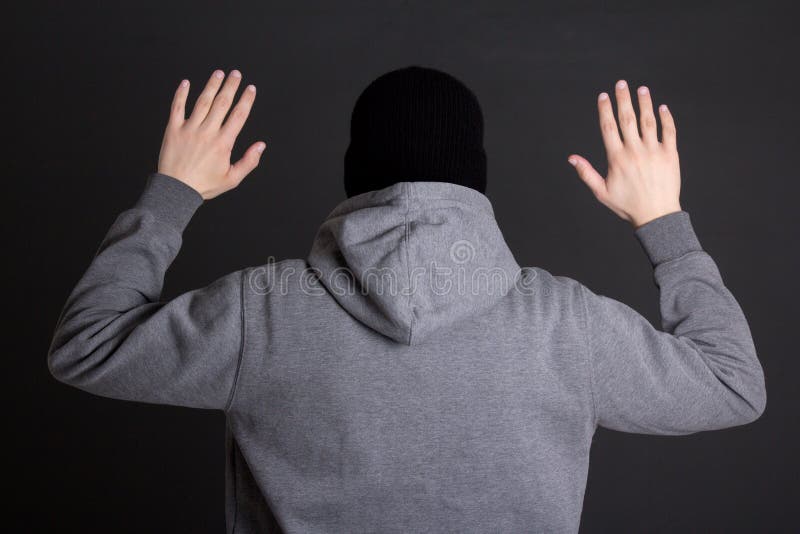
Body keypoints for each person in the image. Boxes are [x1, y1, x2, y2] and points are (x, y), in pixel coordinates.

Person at [47, 65, 766, 533]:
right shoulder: (566, 325)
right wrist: (662, 221)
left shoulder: (261, 312)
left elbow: (86, 347)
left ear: (354, 174)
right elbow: (733, 386)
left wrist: (172, 196)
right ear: (475, 180)